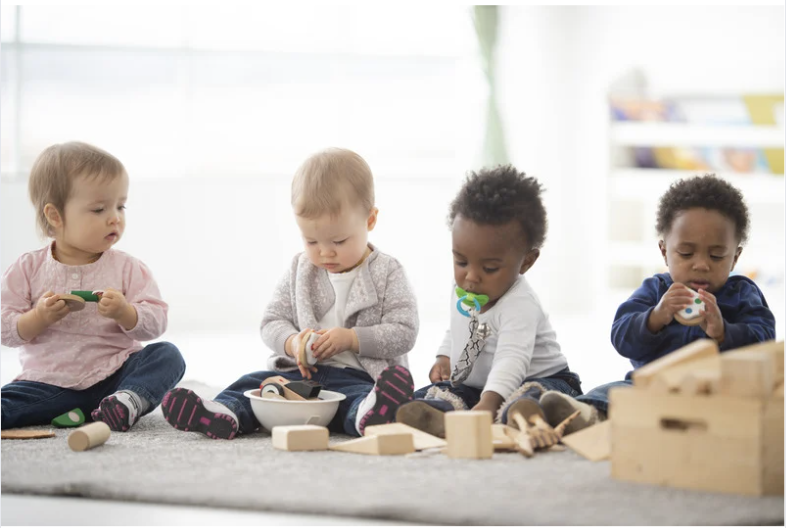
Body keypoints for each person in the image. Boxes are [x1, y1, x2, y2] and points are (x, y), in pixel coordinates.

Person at [162, 148, 418, 439]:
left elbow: (405, 332)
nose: (325, 252)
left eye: (338, 241)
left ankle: (370, 414)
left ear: (370, 220)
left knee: (356, 400)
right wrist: (293, 343)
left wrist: (352, 339)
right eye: (312, 241)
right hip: (298, 377)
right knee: (254, 385)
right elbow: (272, 322)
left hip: (359, 378)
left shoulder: (388, 271)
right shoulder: (300, 268)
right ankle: (223, 412)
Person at [541, 174, 777, 433]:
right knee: (614, 392)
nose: (701, 264)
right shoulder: (656, 290)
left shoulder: (742, 293)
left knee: (749, 410)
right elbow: (621, 337)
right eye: (686, 253)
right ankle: (586, 415)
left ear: (735, 257)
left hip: (716, 393)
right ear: (665, 252)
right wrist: (655, 317)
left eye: (717, 255)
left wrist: (723, 332)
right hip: (651, 388)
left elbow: (766, 344)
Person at [1, 142, 185, 431]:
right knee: (7, 405)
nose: (115, 217)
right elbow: (4, 328)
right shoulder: (28, 268)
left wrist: (126, 313)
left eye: (120, 206)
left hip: (116, 376)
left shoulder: (127, 268)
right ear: (55, 216)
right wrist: (38, 317)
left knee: (167, 356)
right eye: (99, 209)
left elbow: (156, 322)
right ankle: (83, 409)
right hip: (49, 383)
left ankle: (127, 402)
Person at [396, 165, 583, 438]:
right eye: (461, 262)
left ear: (527, 262)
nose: (471, 276)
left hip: (542, 380)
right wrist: (444, 357)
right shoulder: (464, 287)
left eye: (490, 268)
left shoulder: (520, 305)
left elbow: (511, 359)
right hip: (480, 386)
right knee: (438, 393)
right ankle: (438, 414)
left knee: (527, 397)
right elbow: (459, 327)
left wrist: (490, 402)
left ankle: (526, 414)